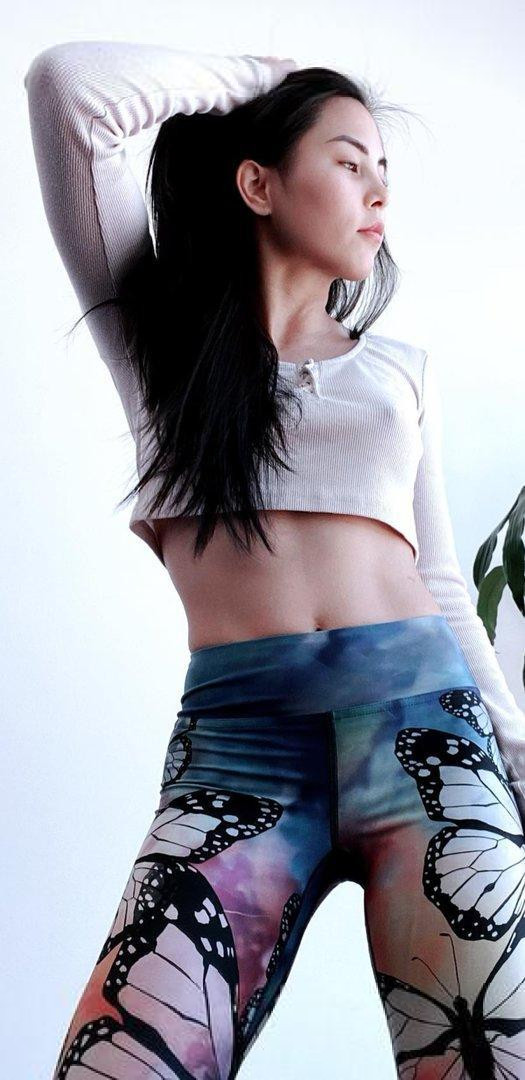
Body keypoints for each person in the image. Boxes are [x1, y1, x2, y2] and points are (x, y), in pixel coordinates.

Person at [24, 40, 525, 1079]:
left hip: (426, 729)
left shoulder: (400, 372)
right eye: (349, 160)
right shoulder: (162, 349)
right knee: (120, 1060)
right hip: (239, 750)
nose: (378, 191)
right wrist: (269, 76)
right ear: (257, 183)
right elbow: (68, 93)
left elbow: (441, 584)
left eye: (384, 170)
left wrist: (517, 759)